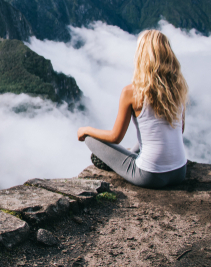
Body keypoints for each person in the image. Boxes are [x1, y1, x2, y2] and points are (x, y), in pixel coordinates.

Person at [77, 30, 188, 188]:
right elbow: (180, 129)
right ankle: (132, 154)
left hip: (149, 176)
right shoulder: (178, 89)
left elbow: (115, 137)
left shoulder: (132, 92)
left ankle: (116, 161)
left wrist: (85, 129)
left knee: (90, 138)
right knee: (150, 134)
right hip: (179, 171)